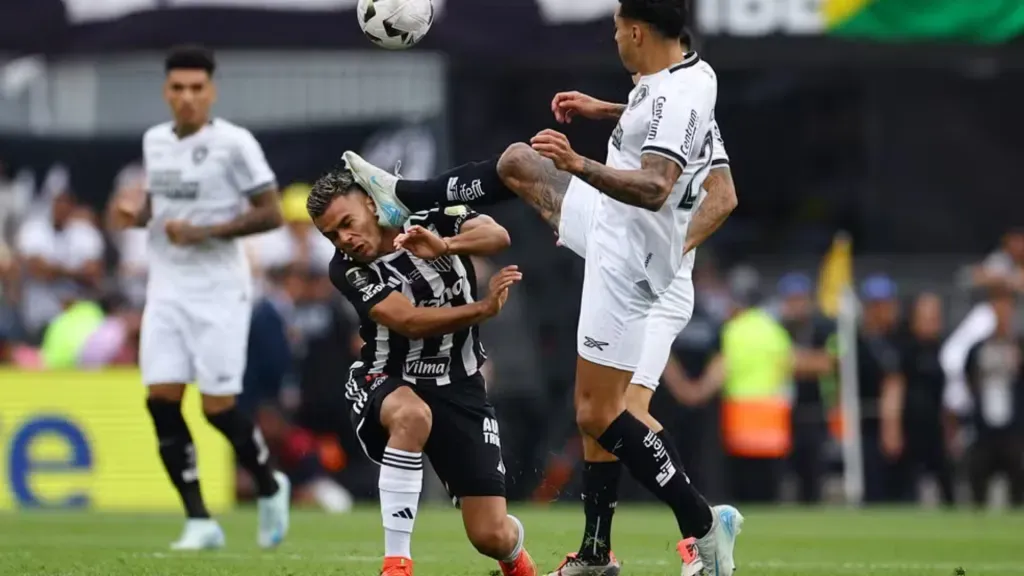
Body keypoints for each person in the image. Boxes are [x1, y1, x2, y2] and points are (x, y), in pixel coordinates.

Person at [342, 2, 743, 574]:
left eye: (614, 31)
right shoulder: (685, 75)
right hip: (612, 225)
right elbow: (660, 121)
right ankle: (408, 195)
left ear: (636, 30)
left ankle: (703, 526)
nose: (613, 40)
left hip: (627, 258)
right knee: (519, 163)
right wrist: (603, 109)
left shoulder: (680, 96)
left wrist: (578, 161)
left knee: (600, 415)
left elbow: (656, 186)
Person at [305, 168, 537, 576]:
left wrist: (445, 244)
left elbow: (497, 236)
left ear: (372, 205)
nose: (344, 239)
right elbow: (408, 321)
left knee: (490, 535)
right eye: (331, 235)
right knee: (412, 415)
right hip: (388, 376)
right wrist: (483, 309)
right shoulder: (346, 269)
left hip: (460, 384)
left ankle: (516, 559)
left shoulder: (429, 215)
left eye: (346, 224)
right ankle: (397, 563)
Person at [108, 45, 290, 550]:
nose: (187, 98)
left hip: (219, 292)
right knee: (161, 402)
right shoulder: (155, 142)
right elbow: (160, 203)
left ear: (210, 91)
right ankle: (199, 519)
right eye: (177, 88)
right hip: (165, 290)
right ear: (166, 92)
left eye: (196, 88)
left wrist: (208, 231)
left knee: (217, 409)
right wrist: (135, 214)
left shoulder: (235, 144)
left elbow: (271, 213)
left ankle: (271, 484)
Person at [963, 286, 1024, 507]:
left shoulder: (1019, 345)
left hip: (1014, 429)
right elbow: (968, 381)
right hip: (984, 428)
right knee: (978, 484)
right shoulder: (977, 348)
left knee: (1018, 488)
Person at [897, 292, 955, 506]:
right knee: (908, 481)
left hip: (936, 424)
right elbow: (896, 387)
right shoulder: (906, 349)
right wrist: (893, 427)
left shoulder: (946, 348)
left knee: (946, 478)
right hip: (910, 424)